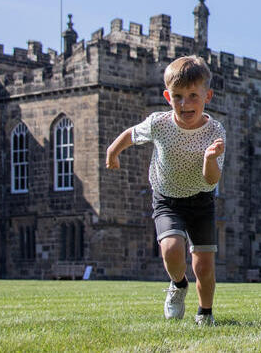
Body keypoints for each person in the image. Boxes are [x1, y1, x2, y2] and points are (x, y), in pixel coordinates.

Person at [106, 55, 226, 325]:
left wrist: (209, 159)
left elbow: (211, 180)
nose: (185, 104)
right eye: (178, 96)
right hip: (167, 199)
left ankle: (204, 314)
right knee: (172, 249)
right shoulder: (159, 123)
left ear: (208, 96)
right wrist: (114, 150)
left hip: (201, 200)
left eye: (193, 95)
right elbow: (132, 134)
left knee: (204, 265)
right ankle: (178, 284)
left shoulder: (215, 131)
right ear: (166, 96)